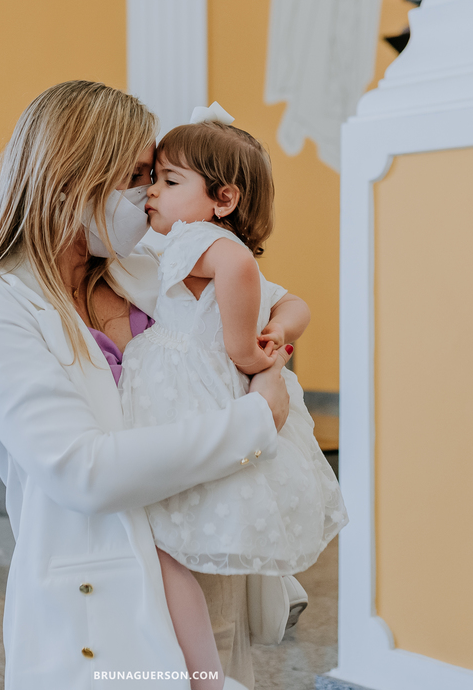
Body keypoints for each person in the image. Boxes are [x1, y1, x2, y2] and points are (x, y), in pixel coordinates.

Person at [0, 81, 294, 690]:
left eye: (155, 176)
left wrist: (272, 337)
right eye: (137, 175)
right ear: (73, 178)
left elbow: (260, 308)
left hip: (208, 568)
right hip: (102, 601)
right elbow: (85, 471)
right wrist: (258, 420)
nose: (148, 195)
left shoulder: (143, 271)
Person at [122, 109, 348, 688]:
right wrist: (283, 330)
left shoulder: (209, 245)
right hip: (184, 390)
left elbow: (246, 275)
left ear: (223, 199)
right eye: (154, 179)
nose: (152, 192)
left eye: (170, 182)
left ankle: (205, 664)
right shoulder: (186, 242)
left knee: (177, 516)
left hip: (192, 393)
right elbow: (294, 301)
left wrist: (254, 352)